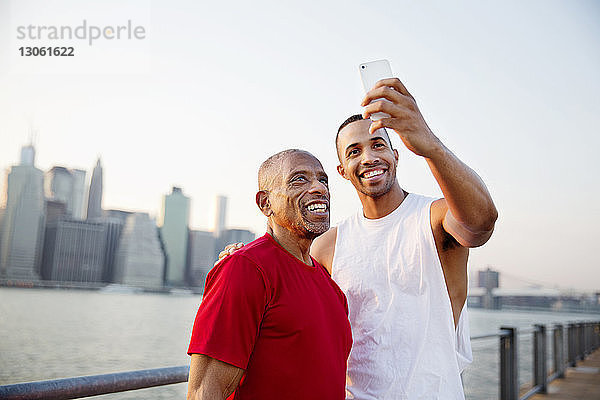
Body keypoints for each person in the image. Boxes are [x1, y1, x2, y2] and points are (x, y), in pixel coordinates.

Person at [219, 78, 498, 400]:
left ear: (396, 154)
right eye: (354, 151)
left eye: (378, 145)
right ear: (341, 170)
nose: (368, 157)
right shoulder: (327, 244)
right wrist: (239, 256)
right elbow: (283, 285)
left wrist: (428, 144)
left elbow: (481, 223)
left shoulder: (436, 218)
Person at [186, 149, 352, 400]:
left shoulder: (334, 290)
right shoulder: (244, 269)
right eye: (299, 179)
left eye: (323, 180)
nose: (319, 188)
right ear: (266, 203)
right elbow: (205, 392)